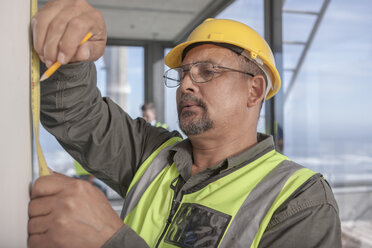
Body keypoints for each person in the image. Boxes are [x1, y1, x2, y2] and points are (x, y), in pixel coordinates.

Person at [28, 0, 341, 247]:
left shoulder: (301, 201)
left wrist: (111, 241)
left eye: (207, 71)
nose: (186, 85)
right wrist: (72, 55)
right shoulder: (150, 154)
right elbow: (75, 114)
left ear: (254, 90)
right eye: (183, 74)